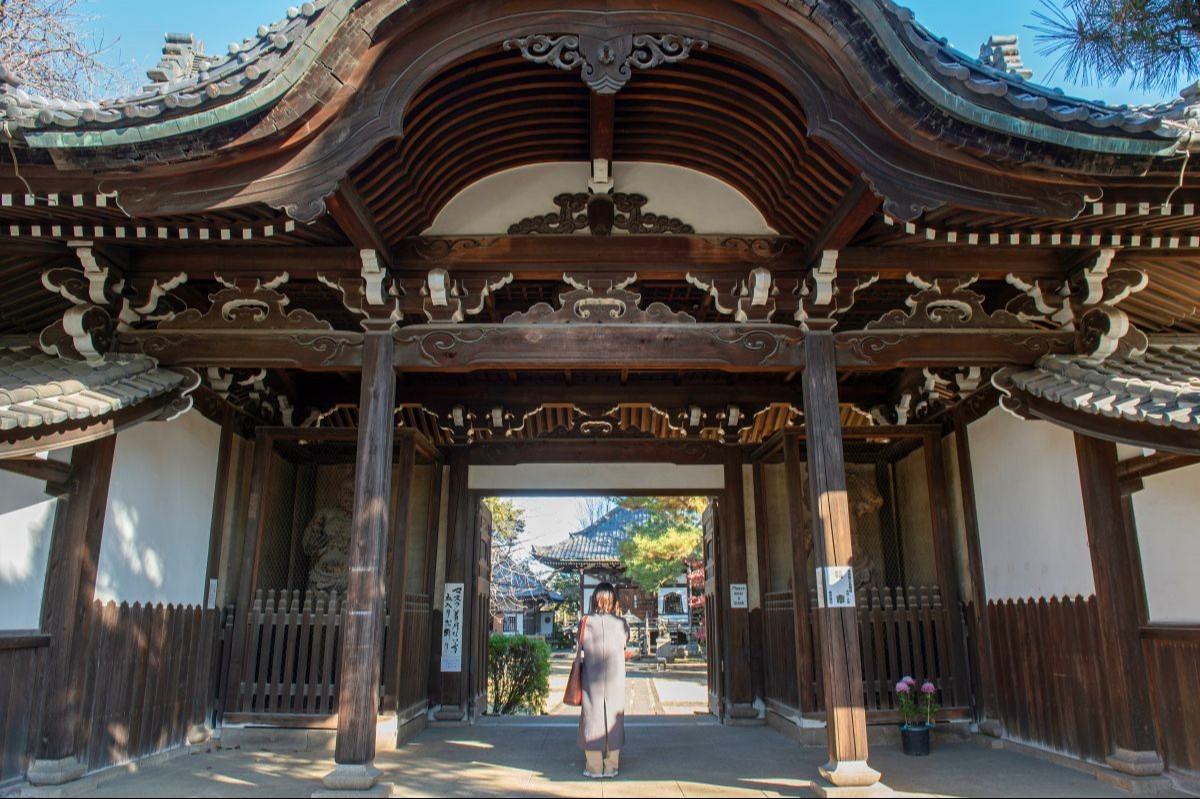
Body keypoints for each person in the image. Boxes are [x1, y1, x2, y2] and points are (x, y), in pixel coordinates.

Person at [577, 581, 629, 778]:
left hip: (592, 678)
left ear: (594, 599)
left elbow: (581, 645)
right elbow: (625, 642)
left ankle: (594, 766)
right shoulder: (621, 624)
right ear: (614, 601)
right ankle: (611, 766)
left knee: (592, 718)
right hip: (615, 679)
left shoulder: (585, 622)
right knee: (614, 718)